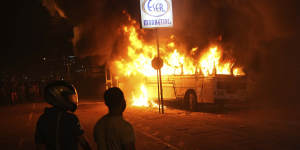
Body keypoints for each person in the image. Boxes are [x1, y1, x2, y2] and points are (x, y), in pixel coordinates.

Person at [35, 80, 91, 150]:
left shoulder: (43, 119)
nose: (72, 100)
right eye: (69, 97)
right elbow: (83, 141)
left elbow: (39, 145)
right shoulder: (71, 118)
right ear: (59, 98)